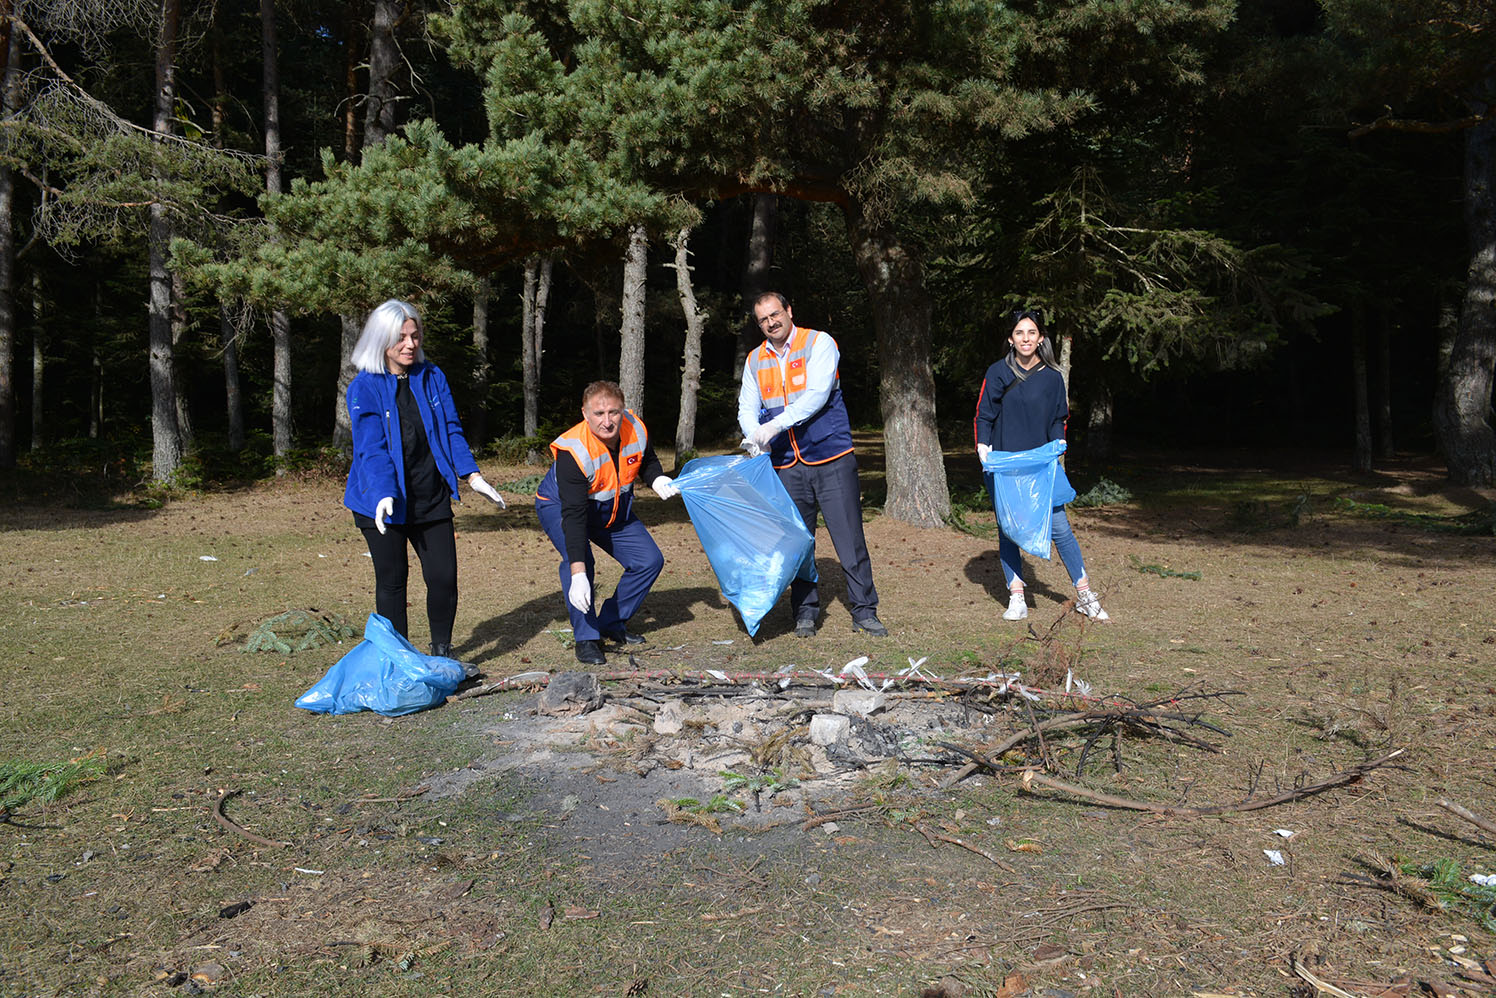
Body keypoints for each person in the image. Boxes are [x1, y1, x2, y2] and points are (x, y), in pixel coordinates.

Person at [343, 299, 506, 657]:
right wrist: (384, 494)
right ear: (380, 339)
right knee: (392, 580)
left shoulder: (431, 376)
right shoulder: (364, 387)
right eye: (400, 337)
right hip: (379, 501)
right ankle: (398, 659)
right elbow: (371, 449)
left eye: (415, 336)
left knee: (443, 578)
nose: (410, 344)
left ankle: (441, 652)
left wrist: (472, 475)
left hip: (430, 494)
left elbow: (450, 429)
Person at [738, 291, 886, 638]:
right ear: (758, 324)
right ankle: (804, 612)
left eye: (776, 314)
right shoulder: (755, 359)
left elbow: (817, 395)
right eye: (763, 319)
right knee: (798, 542)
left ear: (789, 310)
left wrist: (773, 426)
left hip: (830, 457)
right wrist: (753, 435)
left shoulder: (819, 343)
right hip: (786, 465)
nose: (771, 323)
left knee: (849, 538)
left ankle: (864, 610)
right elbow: (747, 405)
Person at [973, 309, 1109, 622]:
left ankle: (1085, 594)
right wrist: (983, 446)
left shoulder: (1051, 378)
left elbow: (1058, 417)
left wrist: (1058, 440)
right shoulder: (997, 373)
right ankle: (1017, 595)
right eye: (1019, 333)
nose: (1025, 338)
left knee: (1060, 528)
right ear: (1011, 338)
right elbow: (984, 414)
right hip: (1005, 465)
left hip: (1041, 466)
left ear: (1041, 338)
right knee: (1008, 530)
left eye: (1031, 333)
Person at [536, 381, 679, 666]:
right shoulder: (572, 451)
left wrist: (656, 477)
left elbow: (646, 459)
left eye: (613, 412)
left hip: (612, 507)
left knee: (649, 560)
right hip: (561, 507)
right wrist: (578, 573)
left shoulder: (635, 428)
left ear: (623, 410)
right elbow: (574, 518)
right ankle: (587, 638)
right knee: (580, 563)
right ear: (585, 413)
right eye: (598, 413)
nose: (607, 421)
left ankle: (612, 622)